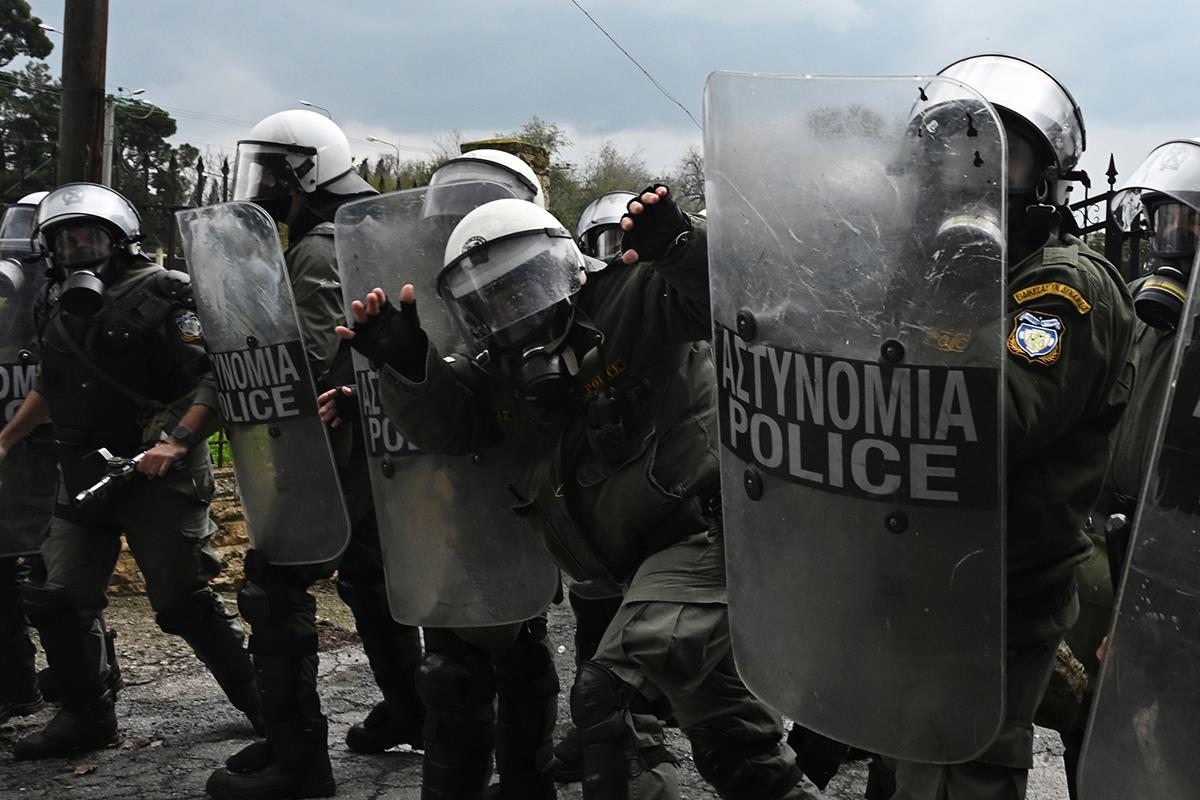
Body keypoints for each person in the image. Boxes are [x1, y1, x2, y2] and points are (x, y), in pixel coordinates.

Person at [341, 191, 825, 799]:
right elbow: (453, 427)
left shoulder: (632, 298)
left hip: (706, 534)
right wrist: (408, 365)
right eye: (491, 300)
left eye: (524, 284)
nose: (514, 310)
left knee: (609, 698)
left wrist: (680, 246)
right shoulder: (500, 369)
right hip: (640, 565)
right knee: (732, 738)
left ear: (565, 265)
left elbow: (733, 303)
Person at [876, 53, 1135, 799]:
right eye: (952, 152)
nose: (970, 174)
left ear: (1047, 182)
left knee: (963, 772)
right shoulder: (922, 271)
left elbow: (991, 420)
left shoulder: (1064, 287)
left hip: (998, 595)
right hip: (915, 573)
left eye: (998, 155)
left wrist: (955, 286)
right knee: (902, 762)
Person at [321, 148, 566, 800]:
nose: (456, 221)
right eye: (448, 210)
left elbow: (502, 398)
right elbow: (447, 392)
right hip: (444, 497)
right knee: (454, 665)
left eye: (471, 208)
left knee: (512, 644)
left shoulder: (547, 288)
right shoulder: (428, 286)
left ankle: (528, 783)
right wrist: (382, 387)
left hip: (517, 497)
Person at [205, 109, 424, 800]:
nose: (265, 184)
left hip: (336, 442)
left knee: (274, 587)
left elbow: (307, 354)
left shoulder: (321, 245)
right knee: (367, 574)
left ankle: (297, 761)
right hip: (380, 439)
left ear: (308, 170)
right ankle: (413, 710)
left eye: (274, 169)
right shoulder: (367, 225)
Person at [0, 183, 262, 760]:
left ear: (121, 242)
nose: (78, 250)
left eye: (90, 239)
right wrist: (7, 438)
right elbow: (51, 383)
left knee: (181, 600)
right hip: (81, 468)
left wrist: (177, 441)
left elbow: (218, 376)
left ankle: (265, 703)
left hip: (156, 471)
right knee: (60, 597)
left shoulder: (167, 293)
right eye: (65, 241)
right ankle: (87, 716)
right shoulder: (54, 302)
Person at [1057, 135, 1200, 799]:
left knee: (1175, 732)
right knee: (1090, 719)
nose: (1177, 236)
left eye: (1192, 220)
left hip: (1177, 553)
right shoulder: (1135, 305)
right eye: (1167, 218)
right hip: (1105, 541)